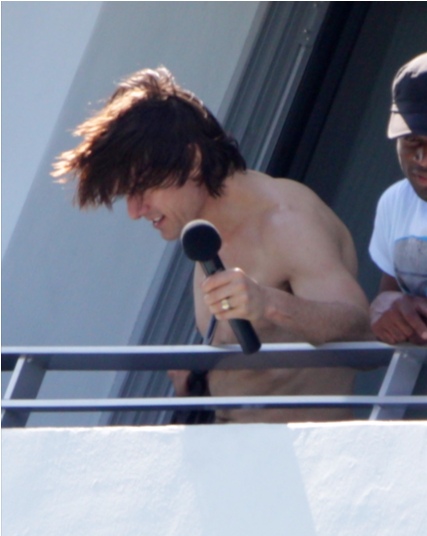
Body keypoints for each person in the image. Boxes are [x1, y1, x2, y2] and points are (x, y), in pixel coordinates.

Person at [52, 66, 370, 423]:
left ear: (192, 161)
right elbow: (256, 365)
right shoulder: (203, 232)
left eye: (141, 189)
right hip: (228, 444)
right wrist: (199, 377)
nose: (134, 211)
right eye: (127, 195)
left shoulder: (287, 222)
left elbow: (365, 339)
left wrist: (269, 303)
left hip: (306, 448)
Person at [369, 52, 427, 345]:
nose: (422, 159)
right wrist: (383, 307)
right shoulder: (395, 202)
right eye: (411, 140)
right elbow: (389, 296)